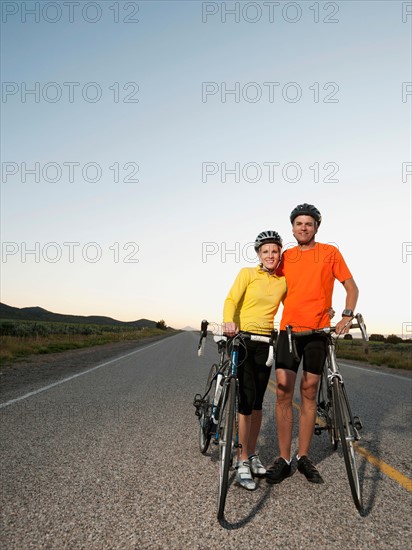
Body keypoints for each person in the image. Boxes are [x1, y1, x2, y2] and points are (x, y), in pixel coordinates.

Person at [266, 203, 359, 485]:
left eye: (308, 223)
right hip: (289, 332)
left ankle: (303, 456)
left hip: (318, 332)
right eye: (298, 224)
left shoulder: (330, 253)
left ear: (316, 227)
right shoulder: (286, 257)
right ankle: (283, 459)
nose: (303, 228)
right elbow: (268, 287)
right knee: (283, 390)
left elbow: (351, 287)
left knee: (308, 391)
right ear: (292, 228)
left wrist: (345, 314)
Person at [222, 230, 287, 490]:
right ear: (259, 255)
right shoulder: (247, 274)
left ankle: (250, 452)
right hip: (244, 340)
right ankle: (241, 458)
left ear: (280, 253)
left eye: (275, 251)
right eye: (266, 251)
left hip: (266, 344)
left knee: (258, 402)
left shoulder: (283, 281)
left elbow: (294, 304)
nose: (270, 255)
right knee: (246, 401)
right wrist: (229, 321)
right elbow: (231, 299)